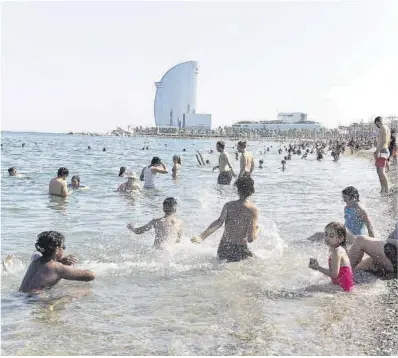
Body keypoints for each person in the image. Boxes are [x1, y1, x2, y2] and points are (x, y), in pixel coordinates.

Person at [191, 177, 259, 262]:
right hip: (240, 249)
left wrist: (201, 237)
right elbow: (250, 239)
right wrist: (257, 230)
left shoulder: (229, 205)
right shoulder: (253, 210)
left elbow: (219, 222)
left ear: (237, 189)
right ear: (252, 191)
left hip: (224, 247)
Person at [19, 231, 95, 293]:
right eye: (63, 246)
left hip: (19, 295)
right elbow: (90, 276)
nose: (64, 248)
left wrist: (59, 261)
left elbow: (36, 255)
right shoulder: (58, 268)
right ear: (57, 250)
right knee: (85, 291)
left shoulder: (35, 260)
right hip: (36, 300)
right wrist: (61, 265)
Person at [309, 222, 354, 292]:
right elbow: (336, 271)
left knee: (311, 289)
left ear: (341, 238)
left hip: (343, 288)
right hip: (339, 284)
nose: (327, 238)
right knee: (316, 283)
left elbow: (334, 274)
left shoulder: (337, 251)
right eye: (326, 234)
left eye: (331, 236)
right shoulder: (334, 249)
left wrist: (318, 267)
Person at [374, 116, 391, 194]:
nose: (376, 126)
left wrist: (378, 150)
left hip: (382, 151)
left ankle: (386, 190)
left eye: (376, 124)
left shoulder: (383, 128)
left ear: (377, 122)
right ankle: (383, 189)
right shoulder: (387, 128)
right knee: (379, 172)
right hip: (384, 150)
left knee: (381, 172)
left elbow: (383, 141)